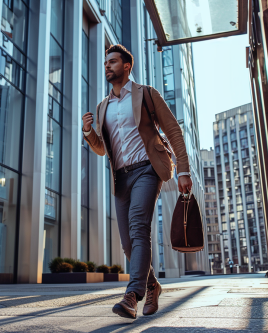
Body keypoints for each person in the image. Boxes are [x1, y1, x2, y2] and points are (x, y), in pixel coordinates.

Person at [82, 44, 192, 319]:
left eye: (113, 62)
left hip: (147, 170)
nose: (107, 66)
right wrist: (88, 132)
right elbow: (101, 148)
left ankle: (132, 296)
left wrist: (183, 170)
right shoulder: (102, 106)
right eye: (105, 62)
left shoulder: (146, 94)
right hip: (121, 178)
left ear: (127, 66)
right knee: (128, 244)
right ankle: (152, 285)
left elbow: (173, 130)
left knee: (138, 227)